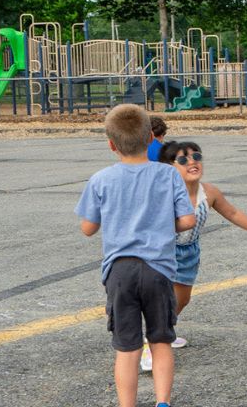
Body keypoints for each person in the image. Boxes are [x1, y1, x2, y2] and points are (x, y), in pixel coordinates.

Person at [75, 104, 196, 407]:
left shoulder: (101, 179)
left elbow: (88, 227)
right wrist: (164, 222)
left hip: (119, 271)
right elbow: (187, 220)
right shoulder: (168, 176)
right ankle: (163, 403)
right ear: (151, 139)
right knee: (160, 340)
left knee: (127, 347)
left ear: (111, 144)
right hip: (159, 270)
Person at [141, 140, 247, 371]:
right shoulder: (162, 193)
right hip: (162, 252)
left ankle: (163, 328)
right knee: (160, 299)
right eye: (184, 159)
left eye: (196, 156)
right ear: (169, 167)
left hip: (189, 252)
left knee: (182, 299)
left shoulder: (210, 192)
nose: (192, 162)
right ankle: (153, 341)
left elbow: (233, 212)